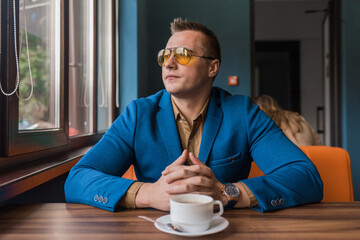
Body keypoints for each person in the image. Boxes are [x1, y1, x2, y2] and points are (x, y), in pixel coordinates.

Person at [64, 18, 323, 213]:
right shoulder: (138, 114)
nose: (169, 63)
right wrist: (148, 194)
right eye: (165, 55)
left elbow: (306, 177)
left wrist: (227, 192)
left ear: (213, 67)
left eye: (184, 55)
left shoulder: (243, 112)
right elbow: (77, 180)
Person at [254, 95, 322, 146]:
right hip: (311, 159)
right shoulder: (297, 117)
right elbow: (318, 143)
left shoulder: (269, 123)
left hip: (292, 161)